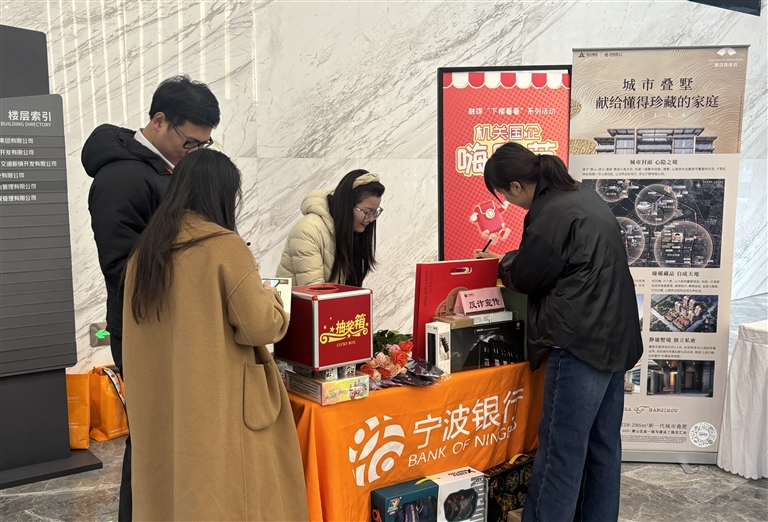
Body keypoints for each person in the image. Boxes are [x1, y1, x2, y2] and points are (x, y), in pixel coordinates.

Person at [122, 149, 308, 521]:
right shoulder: (224, 246)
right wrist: (273, 298)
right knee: (227, 494)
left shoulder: (145, 252)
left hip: (164, 400)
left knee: (170, 490)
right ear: (220, 194)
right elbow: (260, 326)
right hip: (221, 402)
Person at [474, 142, 643, 522]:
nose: (508, 202)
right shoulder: (581, 195)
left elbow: (530, 275)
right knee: (603, 447)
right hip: (616, 338)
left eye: (505, 195)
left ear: (516, 186)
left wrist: (501, 264)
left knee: (560, 453)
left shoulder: (550, 212)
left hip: (579, 341)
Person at [82, 74, 220, 521]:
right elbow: (123, 269)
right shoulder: (123, 177)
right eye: (190, 142)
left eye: (203, 145)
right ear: (159, 121)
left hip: (171, 322)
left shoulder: (163, 171)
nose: (194, 152)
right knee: (151, 439)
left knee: (173, 435)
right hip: (145, 328)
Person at [276, 169, 385, 286]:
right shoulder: (308, 231)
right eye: (367, 212)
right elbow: (313, 292)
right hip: (301, 298)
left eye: (375, 212)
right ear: (347, 205)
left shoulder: (353, 231)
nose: (371, 219)